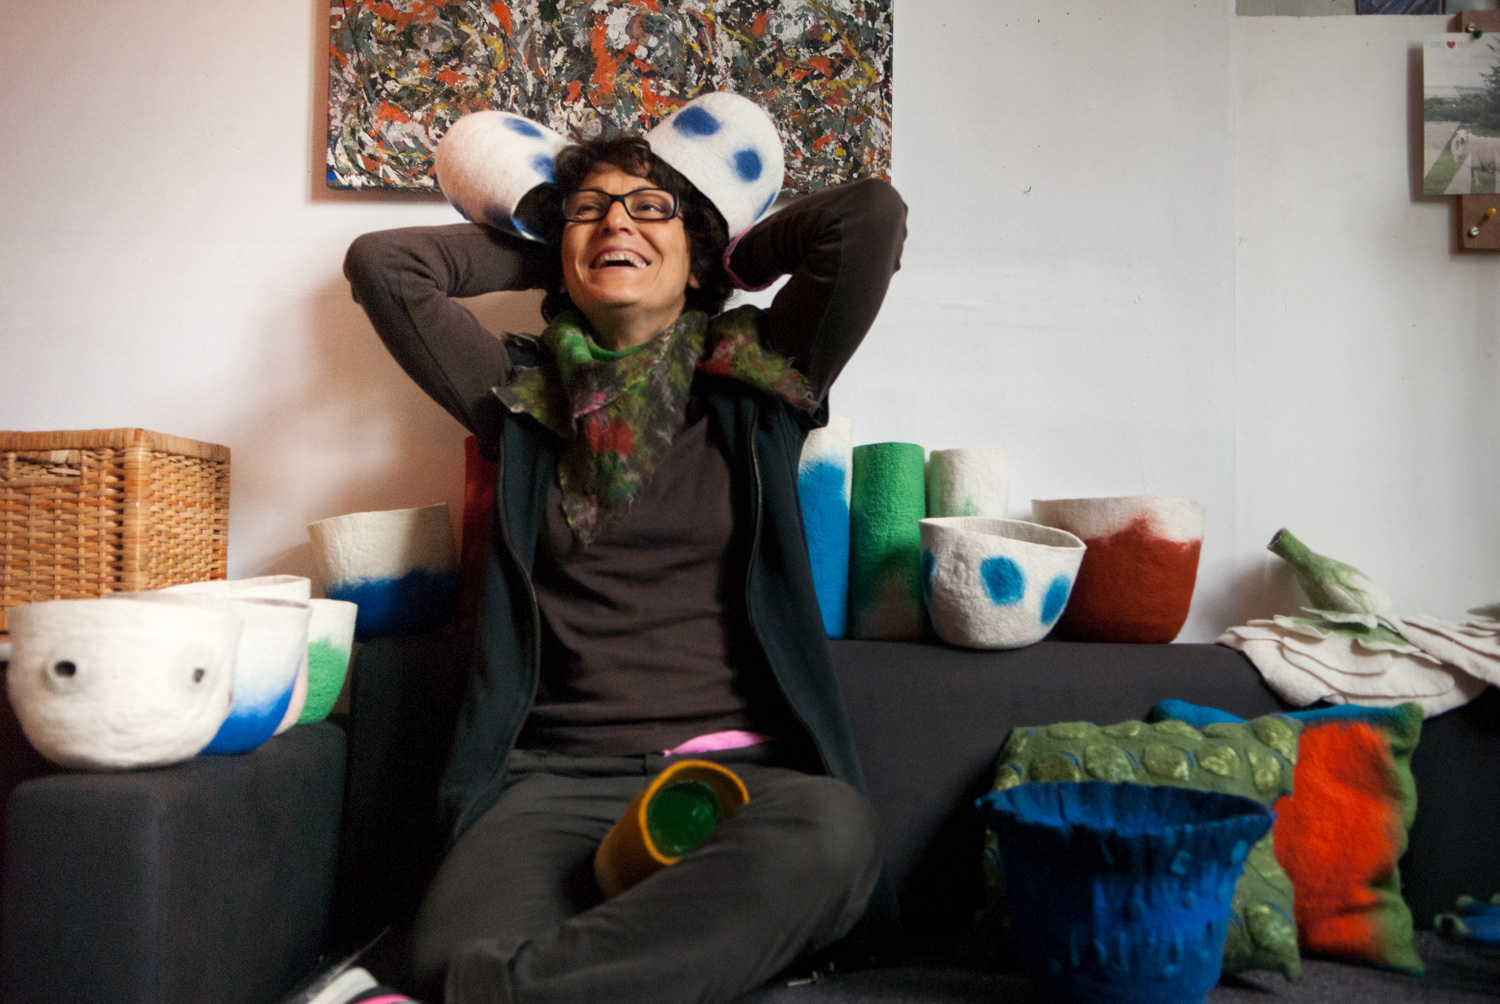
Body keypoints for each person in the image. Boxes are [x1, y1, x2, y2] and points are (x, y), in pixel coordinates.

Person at [331, 95, 907, 1004]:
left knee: (837, 832)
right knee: (451, 952)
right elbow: (385, 266)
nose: (617, 222)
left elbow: (869, 216)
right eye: (591, 210)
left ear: (697, 251)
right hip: (553, 785)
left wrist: (728, 254)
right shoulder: (518, 396)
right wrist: (562, 240)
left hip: (741, 780)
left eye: (649, 207)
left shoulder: (764, 380)